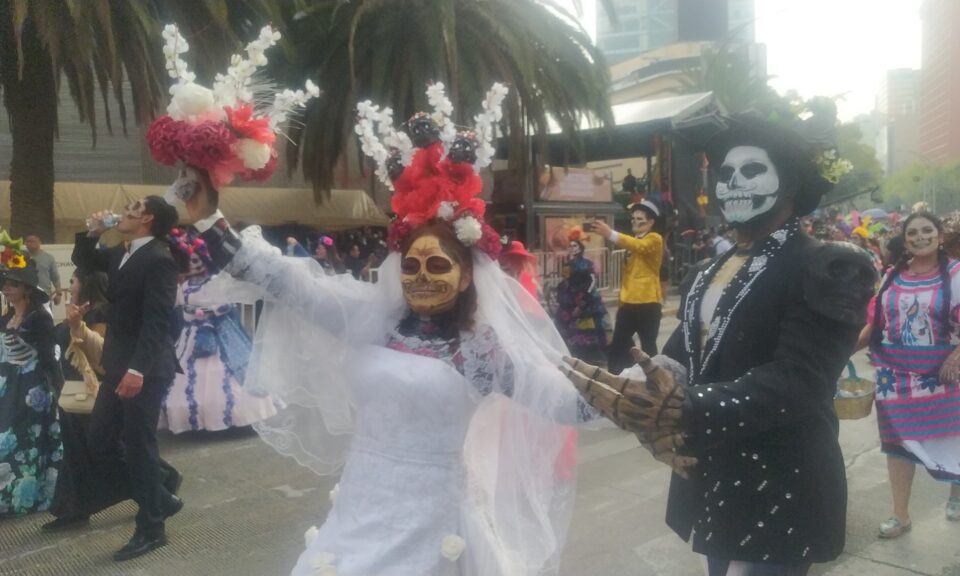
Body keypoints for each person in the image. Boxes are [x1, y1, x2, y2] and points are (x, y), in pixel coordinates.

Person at [171, 79, 618, 575]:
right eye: (410, 267)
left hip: (433, 522)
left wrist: (635, 403)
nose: (421, 279)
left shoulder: (481, 349)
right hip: (362, 504)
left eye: (437, 267)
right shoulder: (371, 318)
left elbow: (556, 398)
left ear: (467, 273)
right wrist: (209, 220)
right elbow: (282, 280)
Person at [563, 110, 878, 575]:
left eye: (752, 171)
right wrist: (622, 390)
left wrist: (686, 408)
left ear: (789, 184)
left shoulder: (828, 266)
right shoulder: (708, 270)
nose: (734, 184)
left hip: (781, 476)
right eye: (726, 174)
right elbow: (681, 355)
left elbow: (802, 380)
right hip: (713, 470)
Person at [855, 212, 960, 538]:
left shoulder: (956, 275)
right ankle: (900, 515)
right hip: (894, 375)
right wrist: (841, 352)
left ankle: (958, 491)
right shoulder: (892, 275)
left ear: (939, 235)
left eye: (926, 230)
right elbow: (875, 322)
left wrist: (956, 358)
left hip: (945, 374)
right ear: (904, 240)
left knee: (955, 433)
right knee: (896, 444)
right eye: (912, 233)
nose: (920, 237)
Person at [72, 196, 184, 560]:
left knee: (138, 443)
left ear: (147, 219)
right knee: (100, 437)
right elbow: (86, 263)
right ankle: (160, 494)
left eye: (132, 208)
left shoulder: (160, 259)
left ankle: (152, 526)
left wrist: (138, 370)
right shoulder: (124, 251)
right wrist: (92, 233)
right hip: (118, 361)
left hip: (145, 367)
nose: (123, 211)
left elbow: (157, 321)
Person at [159, 230, 275, 433]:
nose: (195, 264)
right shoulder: (184, 286)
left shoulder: (216, 282)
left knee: (226, 376)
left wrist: (205, 311)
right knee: (185, 377)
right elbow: (170, 303)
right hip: (190, 338)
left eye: (198, 260)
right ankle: (196, 420)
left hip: (219, 335)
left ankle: (234, 418)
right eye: (191, 260)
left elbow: (226, 305)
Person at [43, 268, 122, 530]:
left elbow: (98, 354)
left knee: (98, 449)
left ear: (86, 283)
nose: (70, 285)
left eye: (73, 280)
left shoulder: (99, 312)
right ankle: (73, 508)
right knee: (77, 452)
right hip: (71, 390)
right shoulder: (78, 309)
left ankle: (159, 481)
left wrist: (76, 327)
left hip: (88, 392)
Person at [0, 252, 63, 517]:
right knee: (8, 437)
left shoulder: (40, 318)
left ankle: (27, 495)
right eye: (5, 283)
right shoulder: (4, 319)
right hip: (8, 384)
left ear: (27, 289)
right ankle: (9, 494)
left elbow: (49, 357)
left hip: (33, 387)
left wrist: (59, 390)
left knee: (27, 438)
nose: (7, 288)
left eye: (13, 283)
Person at [591, 200, 664, 374]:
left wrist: (611, 234)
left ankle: (653, 380)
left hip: (648, 303)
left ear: (651, 222)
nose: (635, 222)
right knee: (619, 342)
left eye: (640, 219)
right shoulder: (631, 243)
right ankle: (619, 376)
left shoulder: (654, 239)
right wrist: (621, 302)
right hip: (629, 303)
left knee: (648, 345)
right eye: (633, 218)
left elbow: (639, 246)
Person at [555, 228, 608, 364]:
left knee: (588, 327)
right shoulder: (568, 264)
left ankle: (592, 356)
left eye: (575, 245)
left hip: (586, 297)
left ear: (580, 247)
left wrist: (584, 299)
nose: (572, 248)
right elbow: (565, 280)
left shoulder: (587, 263)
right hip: (570, 298)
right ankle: (575, 355)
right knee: (570, 326)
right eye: (570, 246)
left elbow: (591, 282)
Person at [25, 234, 62, 306]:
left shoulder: (49, 258)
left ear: (39, 242)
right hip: (26, 297)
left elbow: (55, 277)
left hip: (45, 297)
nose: (30, 243)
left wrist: (59, 294)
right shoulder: (20, 257)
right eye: (28, 241)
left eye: (33, 241)